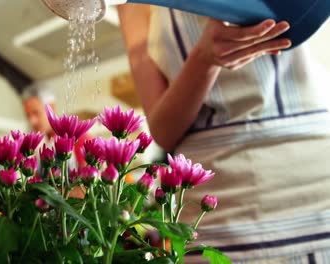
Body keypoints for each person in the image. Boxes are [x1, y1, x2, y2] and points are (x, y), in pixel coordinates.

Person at [118, 4, 330, 263]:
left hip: (316, 182)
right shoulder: (131, 5)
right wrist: (204, 58)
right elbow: (163, 131)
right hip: (220, 209)